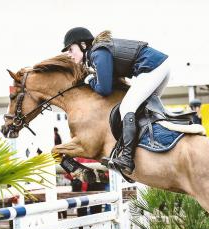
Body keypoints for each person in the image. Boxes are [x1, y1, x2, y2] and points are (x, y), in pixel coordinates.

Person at [61, 27, 170, 174]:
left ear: (83, 45)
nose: (69, 54)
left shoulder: (98, 53)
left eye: (70, 49)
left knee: (127, 107)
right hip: (159, 66)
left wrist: (91, 81)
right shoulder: (96, 53)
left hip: (152, 68)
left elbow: (105, 89)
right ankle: (154, 145)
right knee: (146, 109)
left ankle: (126, 158)